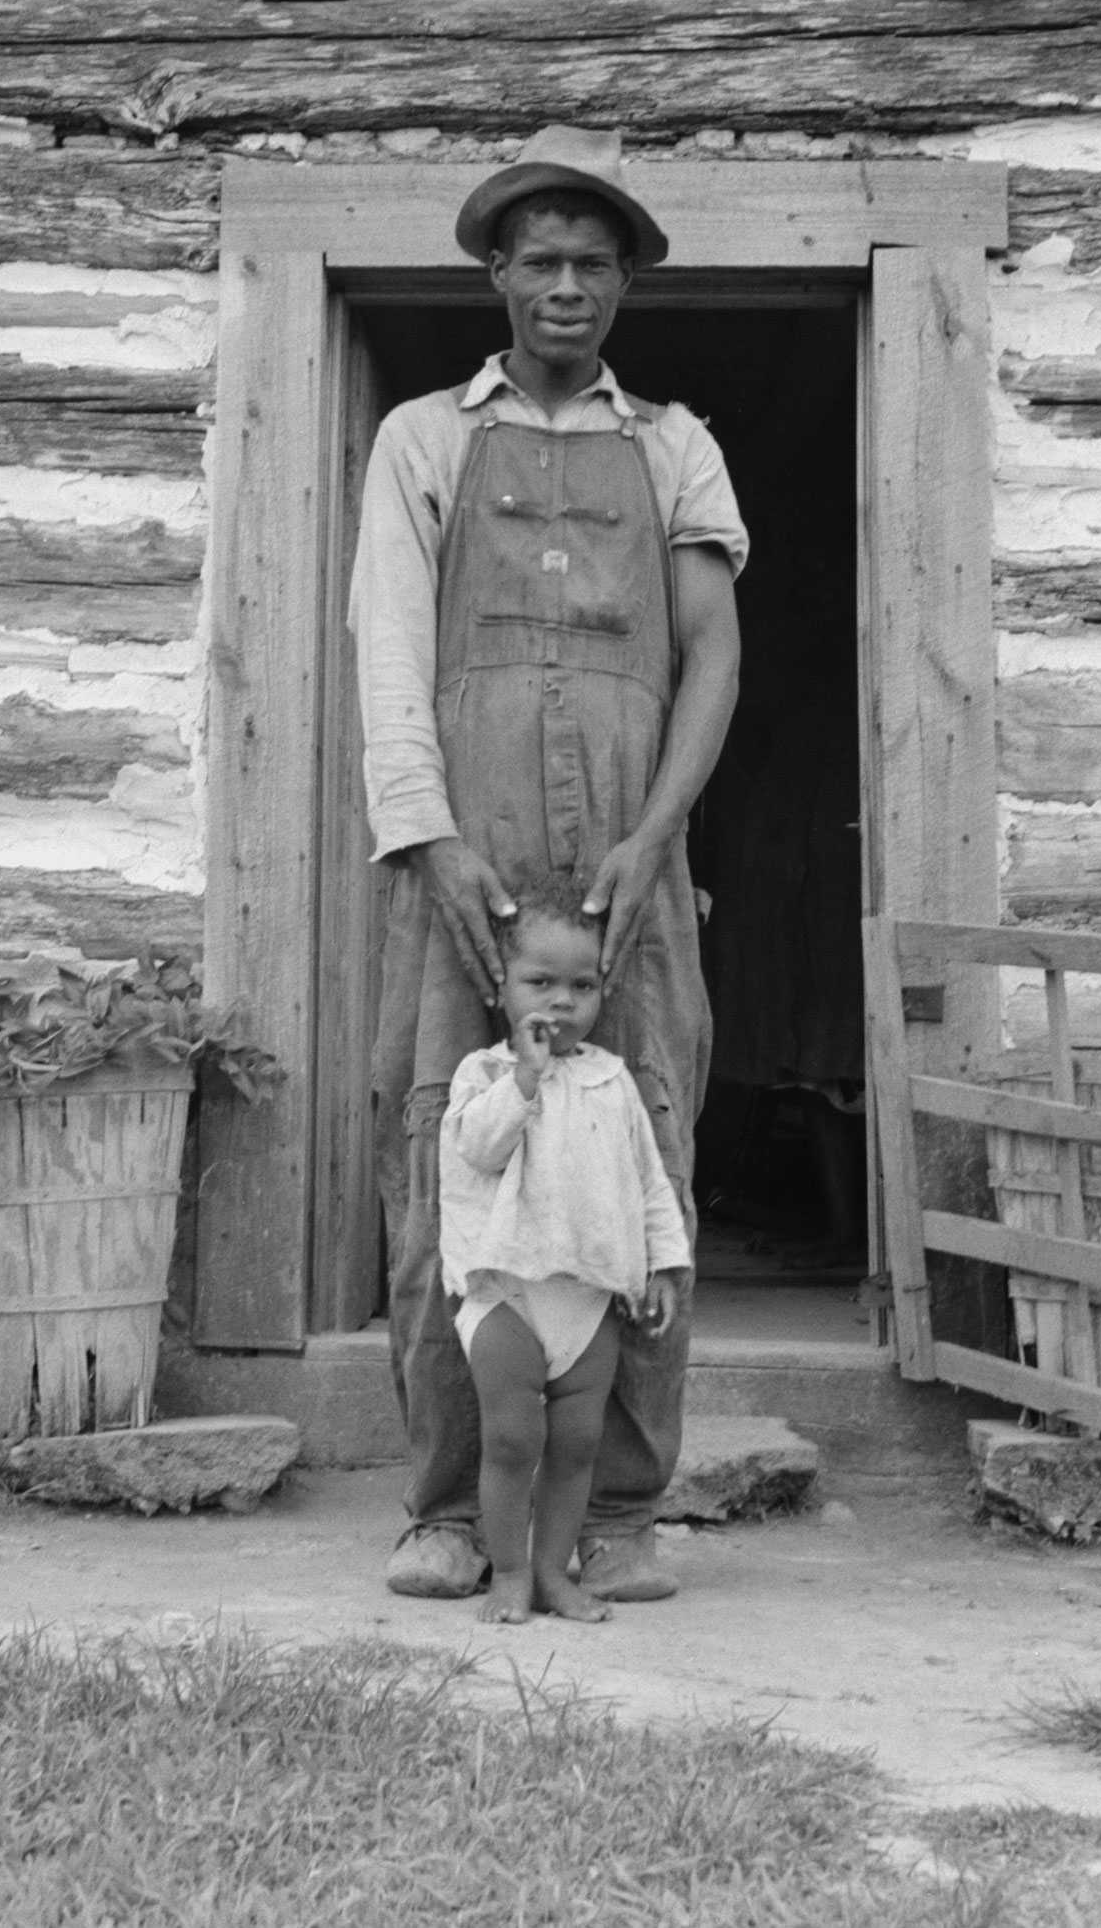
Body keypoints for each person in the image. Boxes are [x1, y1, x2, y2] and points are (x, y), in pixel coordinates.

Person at [352, 123, 745, 1602]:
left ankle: (623, 1512)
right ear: (497, 278)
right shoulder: (424, 439)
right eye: (540, 262)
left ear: (626, 283)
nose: (566, 286)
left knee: (643, 1149)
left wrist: (659, 836)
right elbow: (389, 649)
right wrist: (431, 836)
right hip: (465, 849)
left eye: (594, 264)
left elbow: (712, 658)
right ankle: (452, 1511)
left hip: (632, 867)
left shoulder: (675, 446)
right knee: (445, 1165)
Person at [443, 877, 692, 1624]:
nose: (560, 1002)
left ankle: (555, 1571)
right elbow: (480, 1151)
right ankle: (509, 1572)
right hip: (506, 1294)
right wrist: (525, 1077)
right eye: (539, 983)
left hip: (588, 1299)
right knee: (514, 1438)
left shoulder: (612, 1081)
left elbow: (647, 1183)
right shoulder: (483, 1075)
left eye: (581, 985)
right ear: (502, 988)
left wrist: (663, 1265)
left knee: (578, 1442)